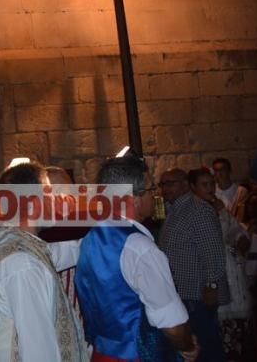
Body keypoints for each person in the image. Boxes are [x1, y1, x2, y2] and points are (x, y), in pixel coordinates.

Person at [74, 155, 198, 362]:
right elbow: (172, 324)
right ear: (133, 198)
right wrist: (188, 346)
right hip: (138, 356)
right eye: (150, 189)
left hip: (101, 353)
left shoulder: (89, 239)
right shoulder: (140, 248)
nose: (155, 195)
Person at [0, 161, 87, 362]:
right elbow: (37, 346)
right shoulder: (22, 263)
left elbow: (56, 255)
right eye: (50, 193)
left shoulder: (8, 239)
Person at [158, 167, 227, 362]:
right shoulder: (174, 210)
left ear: (185, 184)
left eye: (169, 183)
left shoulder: (199, 210)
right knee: (194, 348)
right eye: (162, 184)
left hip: (198, 295)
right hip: (183, 294)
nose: (164, 189)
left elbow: (213, 253)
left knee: (207, 348)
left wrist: (211, 286)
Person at [190, 166, 251, 360]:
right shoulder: (192, 212)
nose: (210, 188)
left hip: (234, 273)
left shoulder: (220, 207)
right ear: (193, 187)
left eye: (212, 184)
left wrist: (241, 241)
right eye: (204, 184)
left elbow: (237, 233)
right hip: (213, 283)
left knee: (239, 342)